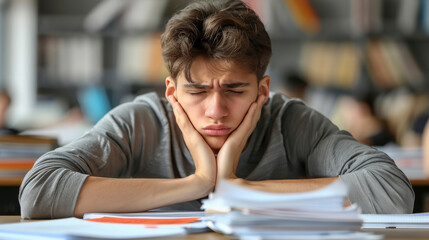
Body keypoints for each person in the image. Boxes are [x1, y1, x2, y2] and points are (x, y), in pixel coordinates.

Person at [19, 0, 414, 219]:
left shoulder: (292, 121)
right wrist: (198, 183)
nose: (216, 110)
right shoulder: (139, 121)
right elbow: (38, 192)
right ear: (171, 91)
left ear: (263, 89)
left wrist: (240, 190)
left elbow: (390, 190)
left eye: (235, 89)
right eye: (197, 91)